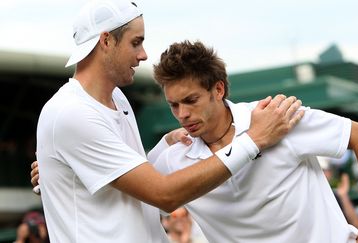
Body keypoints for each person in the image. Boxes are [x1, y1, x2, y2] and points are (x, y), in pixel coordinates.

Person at [34, 0, 303, 242]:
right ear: (106, 41)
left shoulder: (117, 99)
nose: (143, 54)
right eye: (135, 42)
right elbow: (163, 194)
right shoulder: (70, 113)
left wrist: (165, 144)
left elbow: (134, 181)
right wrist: (254, 139)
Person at [142, 40, 358, 243]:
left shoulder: (277, 116)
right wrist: (165, 142)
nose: (182, 114)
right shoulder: (175, 159)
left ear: (218, 90)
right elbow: (139, 198)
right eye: (174, 105)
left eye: (191, 100)